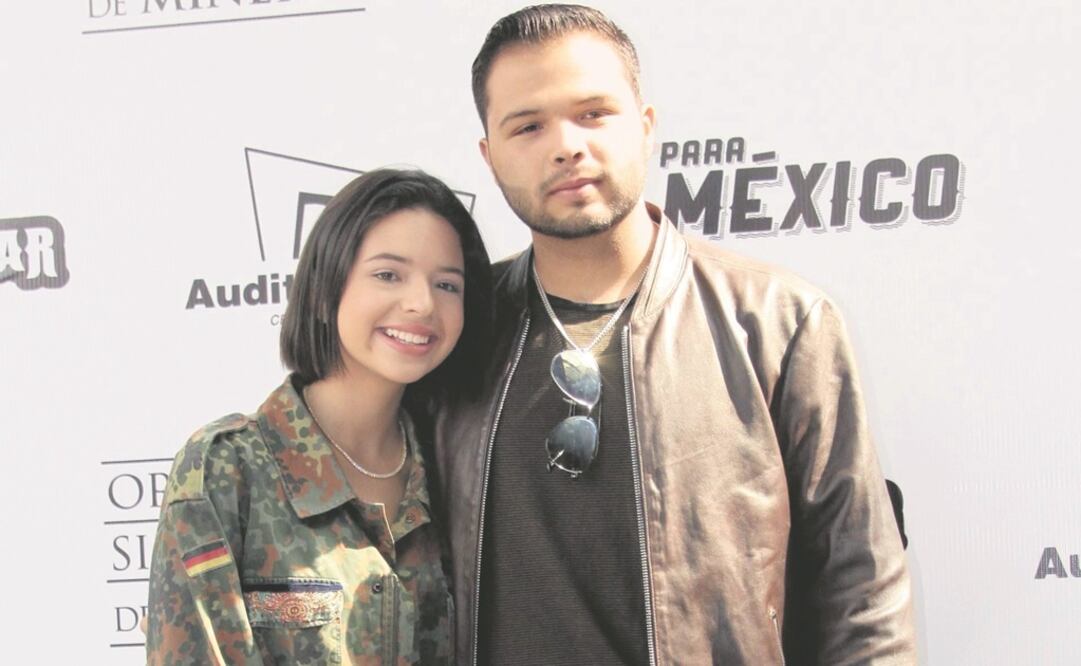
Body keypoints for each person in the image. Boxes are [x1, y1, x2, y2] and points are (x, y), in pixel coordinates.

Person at [428, 5, 917, 665]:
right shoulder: (455, 330)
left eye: (593, 113)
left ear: (646, 126)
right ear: (489, 156)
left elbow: (861, 583)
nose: (566, 145)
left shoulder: (778, 322)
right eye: (528, 126)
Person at [146, 169, 492, 665]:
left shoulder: (456, 469)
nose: (422, 303)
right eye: (388, 275)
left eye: (447, 284)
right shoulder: (227, 470)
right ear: (325, 289)